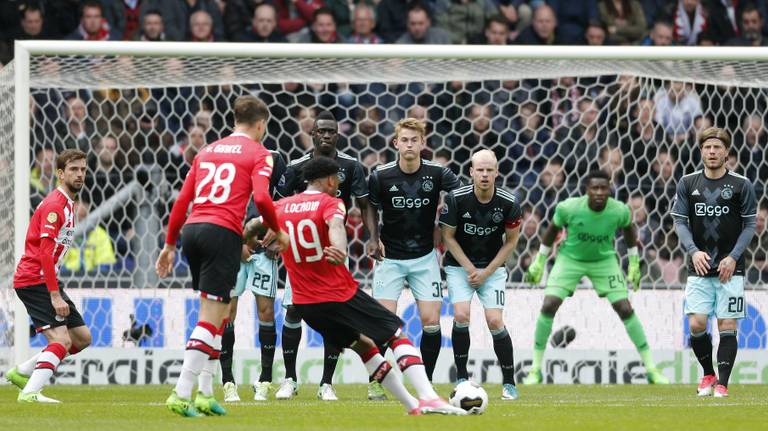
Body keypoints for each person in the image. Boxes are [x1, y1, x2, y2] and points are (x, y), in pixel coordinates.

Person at [260, 155, 465, 415]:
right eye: (336, 180)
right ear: (330, 180)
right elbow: (336, 226)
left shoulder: (281, 207)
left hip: (306, 304)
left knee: (365, 346)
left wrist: (252, 238)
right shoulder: (331, 203)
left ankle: (412, 406)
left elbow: (257, 227)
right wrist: (339, 248)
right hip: (338, 294)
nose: (338, 185)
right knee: (395, 334)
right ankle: (429, 397)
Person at [155, 95, 289, 417]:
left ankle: (204, 393)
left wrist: (170, 245)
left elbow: (182, 201)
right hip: (222, 233)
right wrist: (278, 229)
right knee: (211, 318)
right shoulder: (260, 153)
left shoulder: (205, 151)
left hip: (192, 231)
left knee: (216, 317)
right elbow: (261, 196)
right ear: (260, 125)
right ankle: (180, 392)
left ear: (233, 121)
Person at [523, 170, 669, 385]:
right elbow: (552, 230)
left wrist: (635, 263)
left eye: (604, 188)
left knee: (625, 308)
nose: (600, 192)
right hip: (570, 260)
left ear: (609, 189)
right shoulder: (569, 208)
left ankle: (651, 369)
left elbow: (629, 234)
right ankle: (535, 369)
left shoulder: (619, 210)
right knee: (548, 304)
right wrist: (539, 261)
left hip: (604, 261)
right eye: (595, 188)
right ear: (587, 190)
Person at [274, 110, 378, 401]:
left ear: (338, 135)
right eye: (321, 131)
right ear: (313, 134)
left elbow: (365, 204)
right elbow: (278, 206)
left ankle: (326, 383)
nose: (327, 135)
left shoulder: (351, 166)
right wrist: (273, 239)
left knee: (333, 314)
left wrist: (373, 237)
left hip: (334, 249)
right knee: (294, 309)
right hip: (301, 252)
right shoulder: (297, 167)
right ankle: (290, 379)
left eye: (331, 131)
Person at [367, 118, 461, 382]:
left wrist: (445, 226)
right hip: (390, 258)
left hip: (424, 258)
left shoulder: (438, 173)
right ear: (396, 144)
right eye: (404, 140)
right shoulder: (381, 175)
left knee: (431, 321)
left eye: (414, 140)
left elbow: (460, 197)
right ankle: (376, 383)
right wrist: (374, 238)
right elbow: (370, 208)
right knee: (383, 322)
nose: (409, 144)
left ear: (423, 143)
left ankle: (426, 381)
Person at [671, 127, 757, 398]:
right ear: (701, 151)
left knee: (727, 325)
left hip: (730, 270)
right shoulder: (687, 183)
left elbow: (750, 225)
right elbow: (680, 222)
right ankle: (708, 374)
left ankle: (723, 383)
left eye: (717, 147)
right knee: (696, 324)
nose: (712, 152)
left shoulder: (742, 185)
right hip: (699, 267)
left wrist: (733, 257)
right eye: (707, 147)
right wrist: (693, 251)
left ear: (727, 152)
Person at [7, 149, 92, 403]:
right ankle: (30, 393)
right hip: (35, 279)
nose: (79, 174)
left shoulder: (68, 204)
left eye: (83, 169)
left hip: (45, 278)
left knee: (81, 338)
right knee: (62, 340)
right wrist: (55, 295)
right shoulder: (56, 205)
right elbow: (44, 252)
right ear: (60, 173)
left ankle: (22, 372)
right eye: (74, 169)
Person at [439, 150, 522, 400]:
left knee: (495, 321)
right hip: (459, 266)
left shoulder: (509, 202)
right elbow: (448, 238)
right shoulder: (456, 199)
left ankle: (509, 383)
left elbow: (511, 242)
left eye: (489, 170)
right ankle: (462, 377)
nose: (485, 175)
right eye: (480, 170)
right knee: (462, 315)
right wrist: (470, 269)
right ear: (471, 172)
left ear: (497, 172)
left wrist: (486, 272)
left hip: (492, 269)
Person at [220, 148, 286, 403]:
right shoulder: (230, 163)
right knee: (228, 313)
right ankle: (228, 382)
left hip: (263, 251)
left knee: (266, 312)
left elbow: (284, 202)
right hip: (233, 250)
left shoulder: (276, 161)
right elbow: (222, 206)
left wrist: (278, 232)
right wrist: (235, 242)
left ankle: (265, 380)